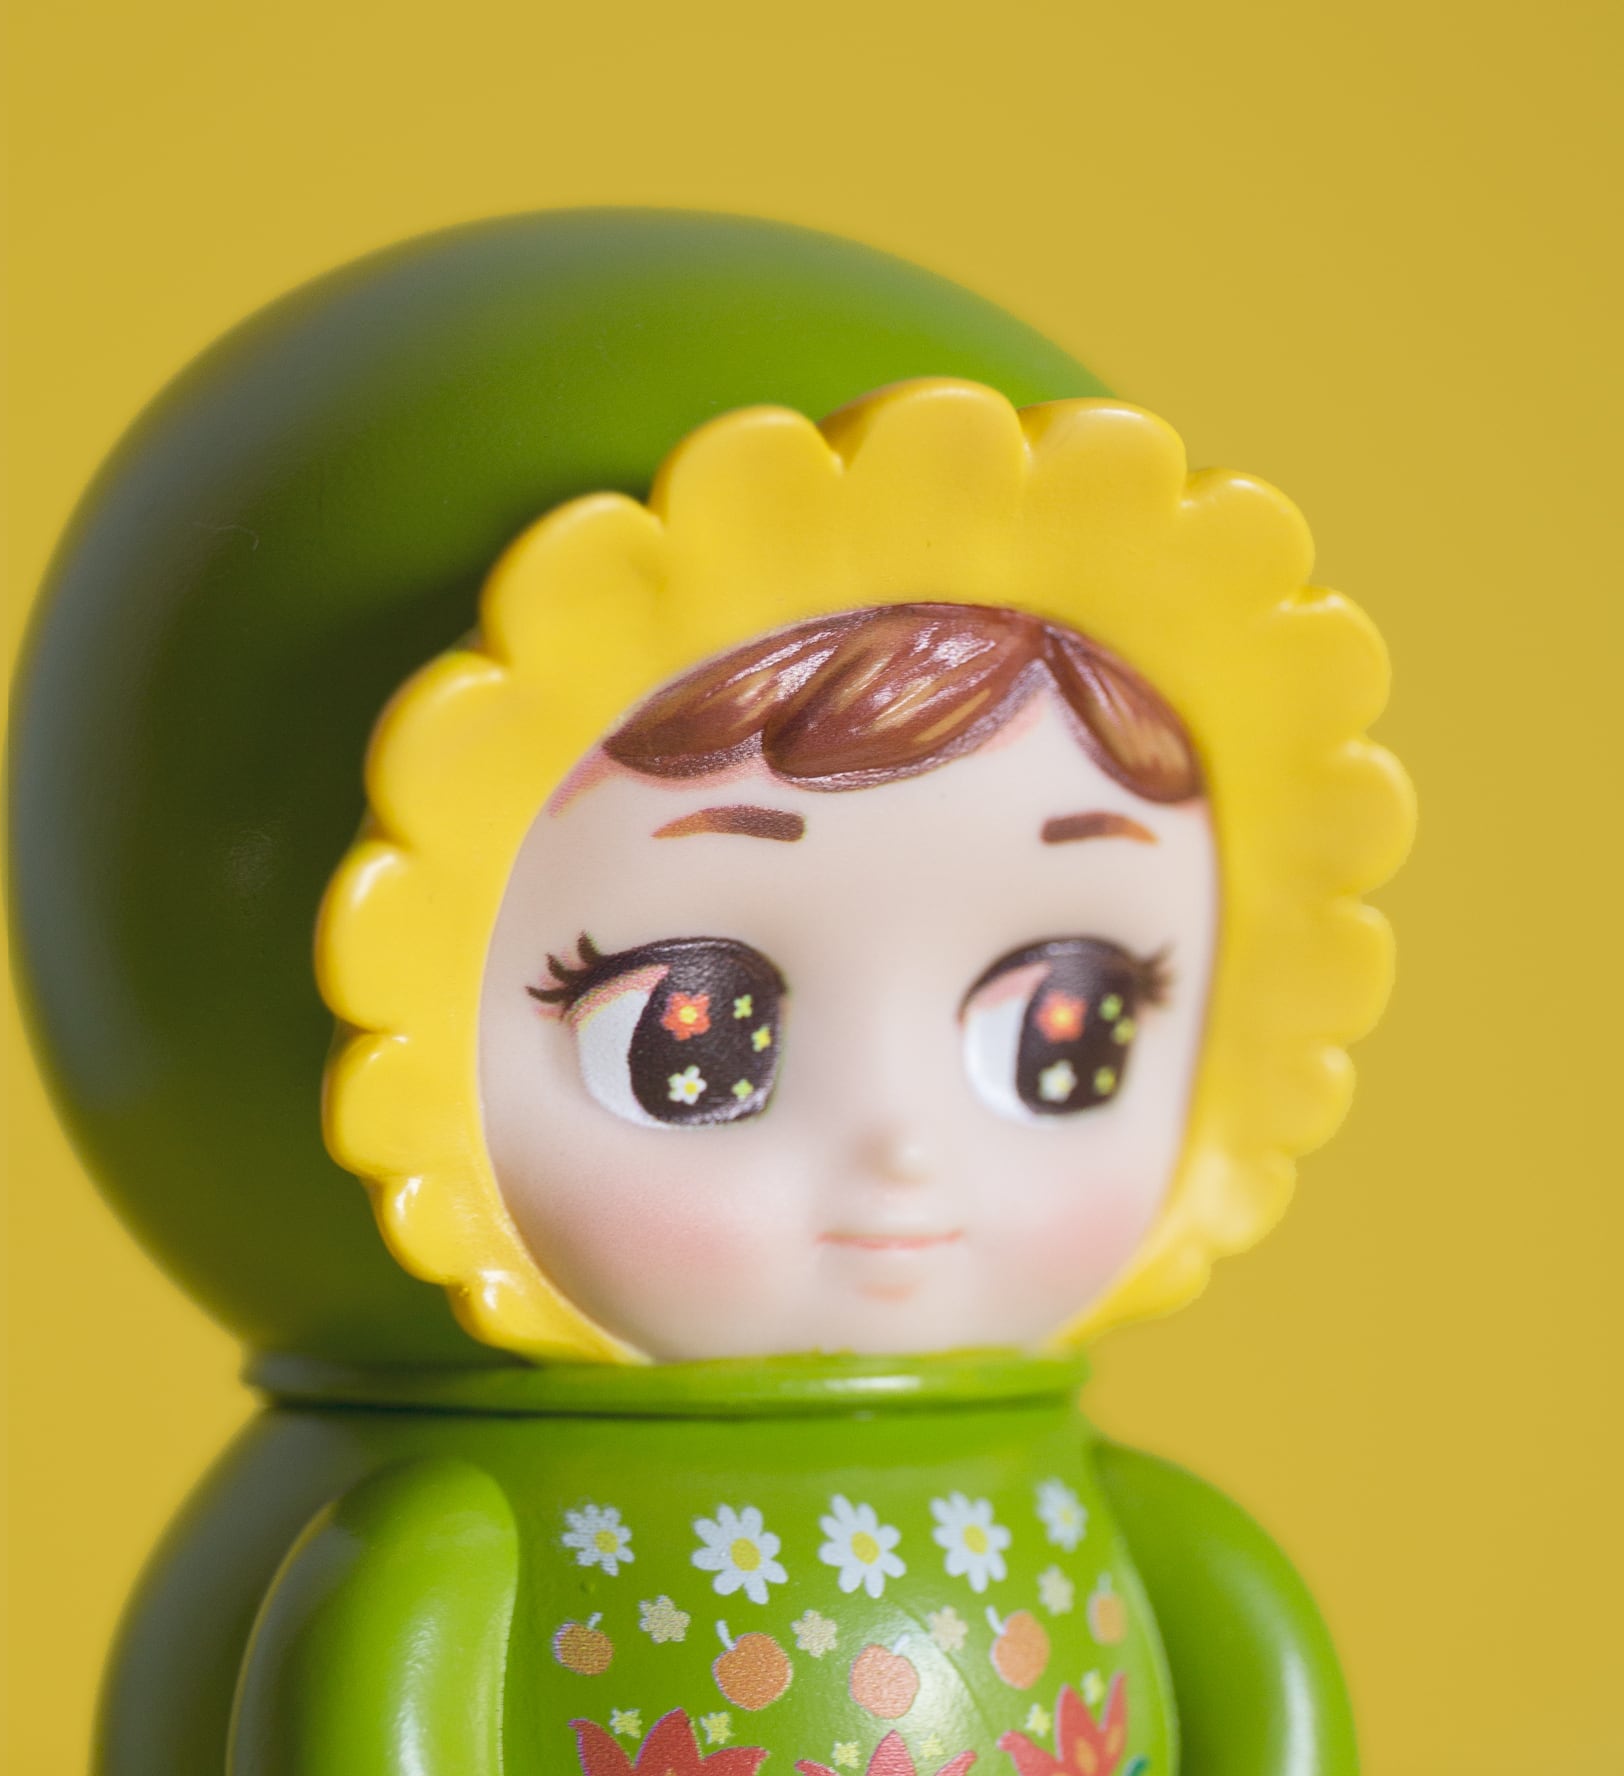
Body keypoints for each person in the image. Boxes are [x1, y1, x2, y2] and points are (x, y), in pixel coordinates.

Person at [302, 378, 1412, 1774]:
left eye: (1066, 1027)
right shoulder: (440, 1545)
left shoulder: (1143, 1525)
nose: (905, 1149)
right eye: (692, 1038)